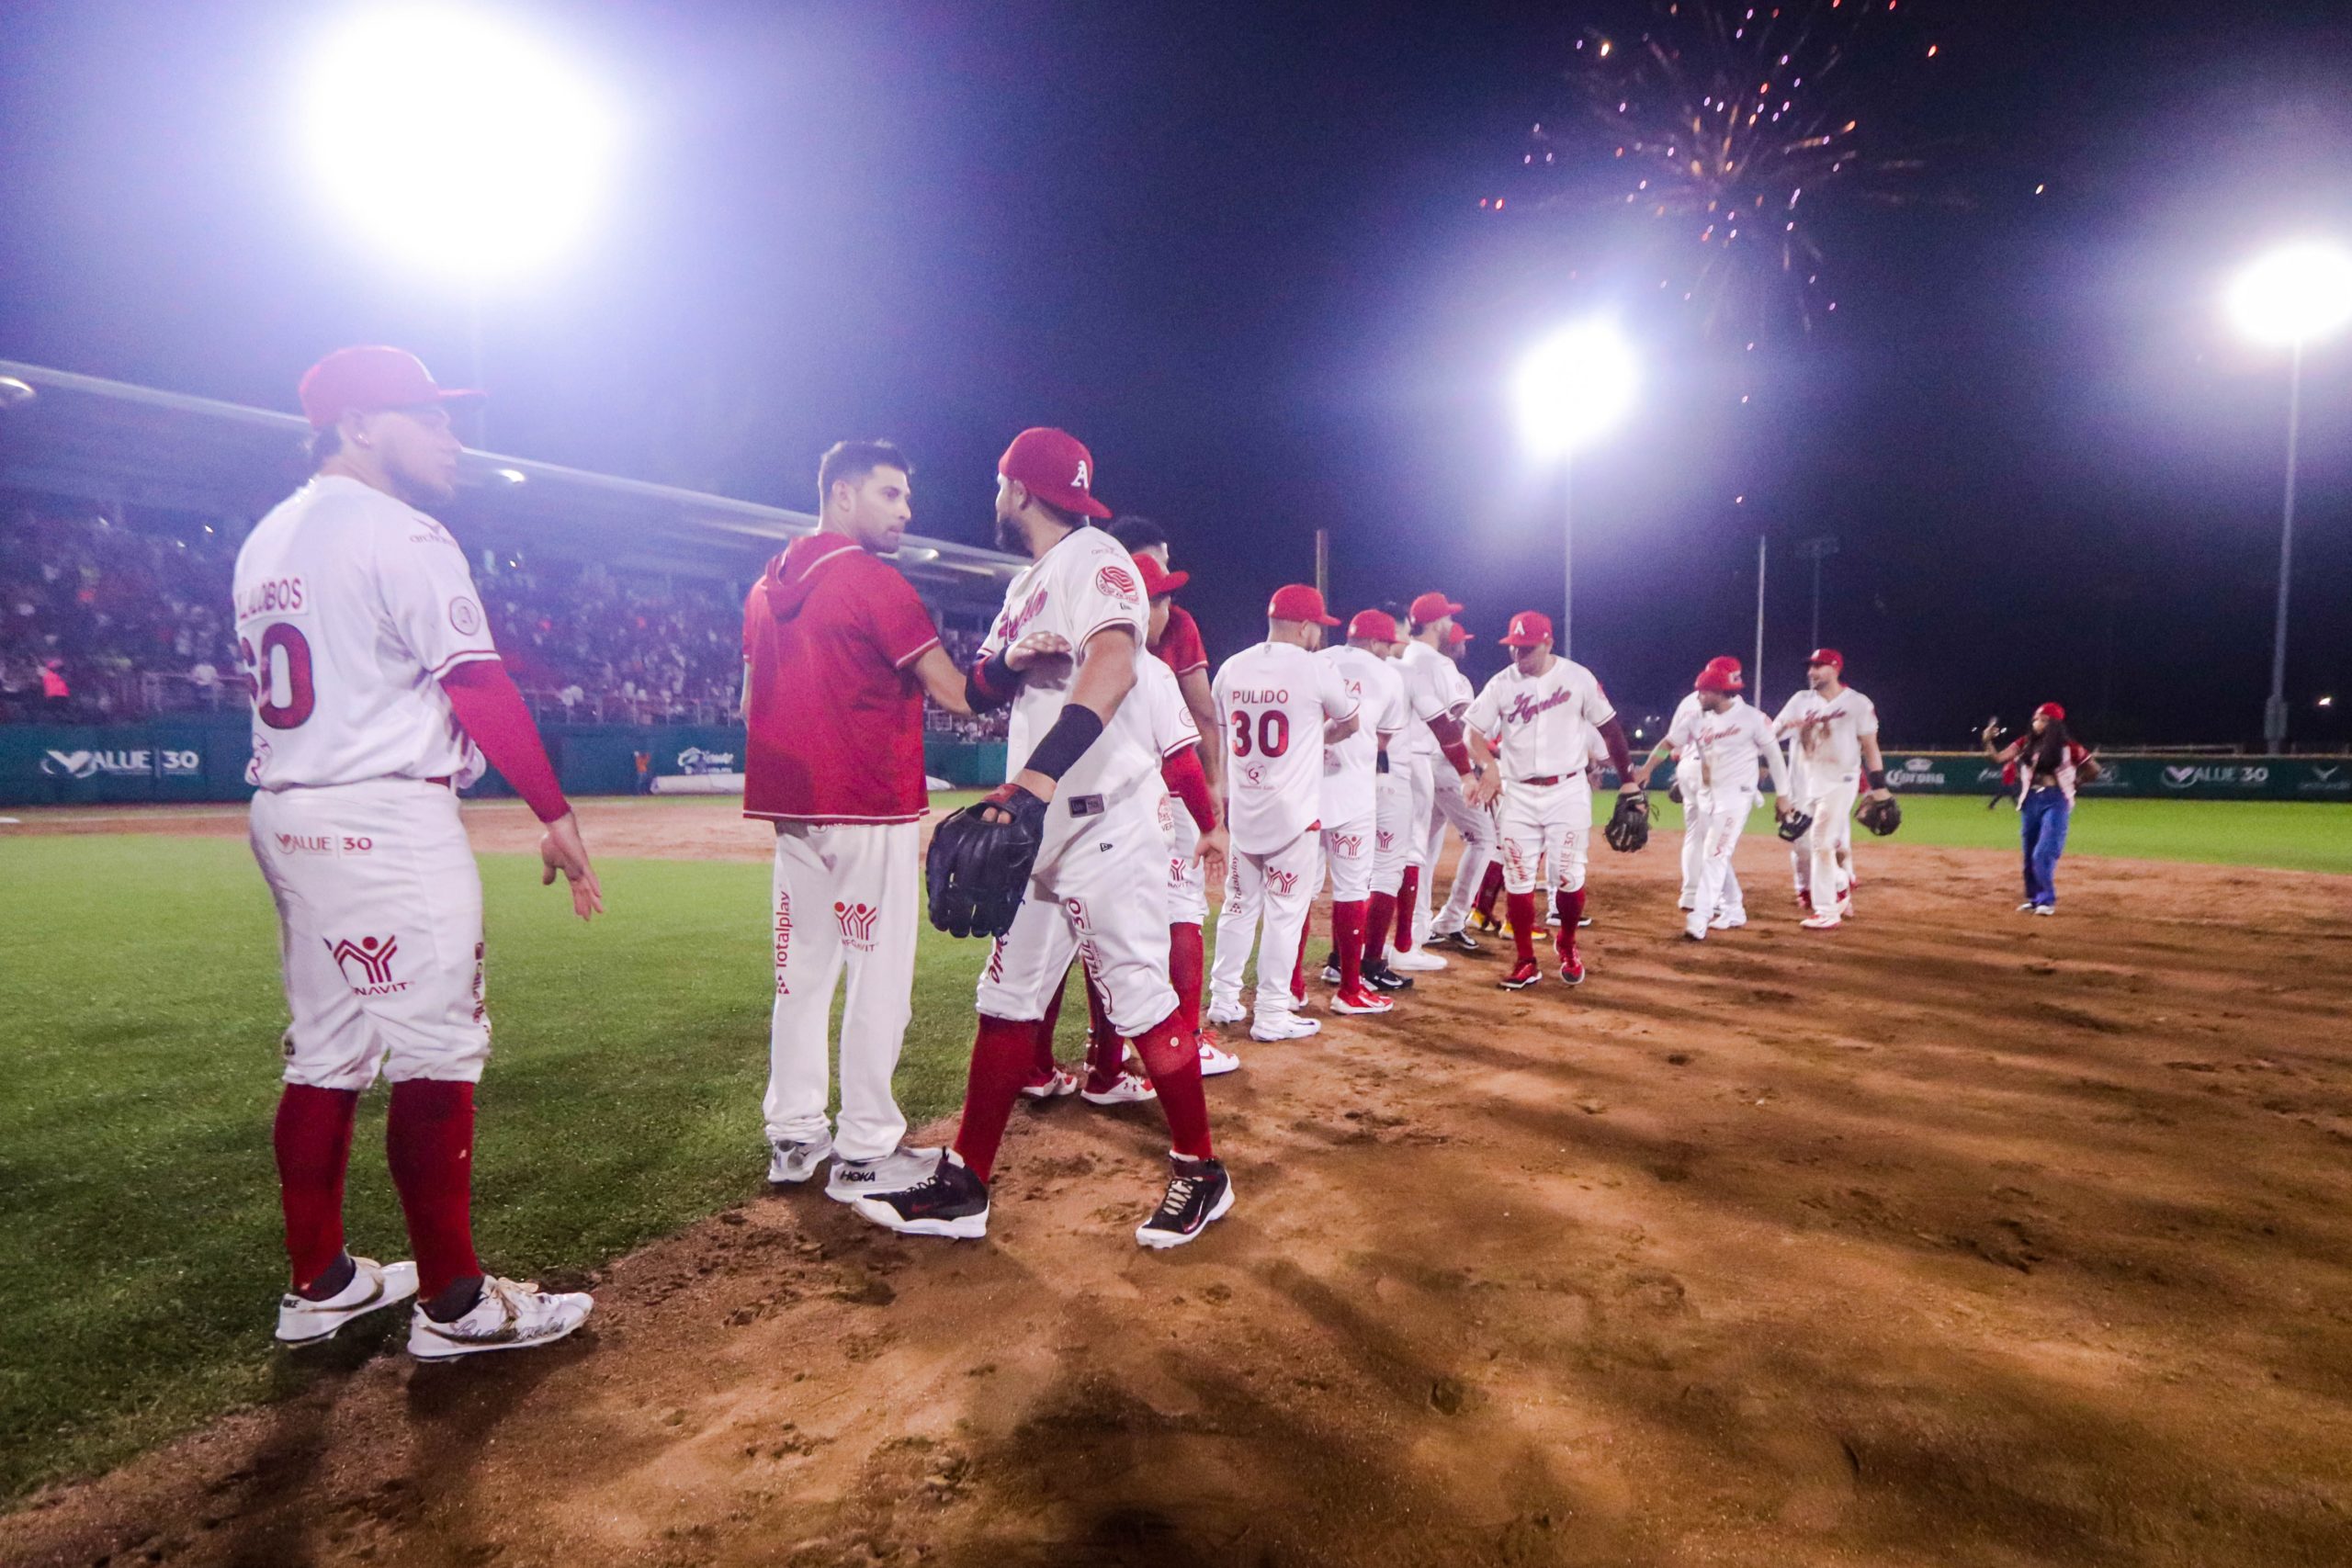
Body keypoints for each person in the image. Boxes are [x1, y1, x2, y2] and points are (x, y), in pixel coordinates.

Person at [240, 345, 600, 1359]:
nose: (452, 437)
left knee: (326, 1052)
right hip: (384, 821)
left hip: (290, 811)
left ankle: (323, 1283)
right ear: (358, 424)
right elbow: (475, 681)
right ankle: (455, 1306)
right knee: (437, 1052)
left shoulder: (266, 536)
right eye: (428, 416)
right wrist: (553, 808)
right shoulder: (401, 529)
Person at [854, 428, 1232, 1249]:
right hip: (1044, 828)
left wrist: (1036, 777)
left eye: (999, 485)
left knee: (1137, 996)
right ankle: (968, 1183)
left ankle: (1201, 1170)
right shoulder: (1027, 582)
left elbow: (1114, 661)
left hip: (1104, 821)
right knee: (1007, 996)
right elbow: (980, 688)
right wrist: (1009, 665)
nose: (994, 498)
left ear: (1019, 489)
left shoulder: (1097, 555)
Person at [741, 439, 1064, 1201]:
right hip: (866, 804)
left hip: (792, 815)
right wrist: (1013, 664)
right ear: (842, 494)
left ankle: (793, 1136)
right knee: (878, 978)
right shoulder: (872, 581)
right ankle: (864, 1148)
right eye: (891, 494)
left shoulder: (763, 587)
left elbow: (750, 705)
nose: (906, 510)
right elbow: (957, 692)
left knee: (801, 980)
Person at [1206, 585, 1361, 1039]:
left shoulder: (1232, 667)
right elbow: (1350, 721)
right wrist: (1316, 742)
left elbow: (1218, 740)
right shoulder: (1314, 668)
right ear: (1305, 626)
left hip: (1245, 810)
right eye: (1318, 628)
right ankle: (1272, 1013)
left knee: (1237, 907)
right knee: (1284, 912)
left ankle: (1223, 999)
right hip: (1293, 813)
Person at [1464, 612, 1635, 988]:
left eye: (1527, 649)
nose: (1518, 656)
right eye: (1514, 649)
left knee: (1569, 876)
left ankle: (1568, 943)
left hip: (1568, 790)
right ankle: (1526, 960)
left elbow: (1611, 731)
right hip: (1518, 792)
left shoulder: (1578, 678)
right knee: (1519, 879)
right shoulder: (1500, 684)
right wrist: (1488, 766)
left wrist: (1629, 783)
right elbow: (1472, 733)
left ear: (1548, 644)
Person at [1316, 609, 1409, 1011]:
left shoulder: (1319, 659)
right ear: (1374, 643)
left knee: (1294, 894)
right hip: (1353, 792)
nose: (1389, 653)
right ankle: (1349, 987)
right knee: (1352, 886)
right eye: (1387, 645)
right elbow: (1384, 739)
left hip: (1303, 787)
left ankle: (1288, 992)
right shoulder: (1388, 675)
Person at [1661, 660, 1793, 942]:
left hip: (1737, 795)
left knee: (1714, 852)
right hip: (1708, 794)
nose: (1699, 695)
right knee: (1716, 850)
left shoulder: (1752, 718)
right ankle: (1733, 908)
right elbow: (1673, 745)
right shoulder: (1698, 715)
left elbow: (1774, 756)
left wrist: (1783, 795)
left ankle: (1700, 917)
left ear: (1721, 690)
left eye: (1705, 690)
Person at [1385, 592, 1478, 972]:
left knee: (1404, 852)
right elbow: (1456, 722)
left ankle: (1412, 933)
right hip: (1423, 760)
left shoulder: (1399, 659)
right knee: (1414, 853)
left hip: (1389, 761)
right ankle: (1408, 941)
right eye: (1446, 620)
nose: (1448, 625)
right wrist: (1472, 770)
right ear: (1438, 622)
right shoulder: (1436, 663)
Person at [1771, 649, 1894, 930]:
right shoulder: (1801, 700)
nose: (1812, 672)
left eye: (1819, 666)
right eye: (1810, 667)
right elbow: (1771, 736)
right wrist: (1787, 727)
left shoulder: (1858, 703)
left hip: (1841, 782)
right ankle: (1840, 887)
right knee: (1805, 845)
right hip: (1807, 786)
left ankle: (1826, 911)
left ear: (1836, 668)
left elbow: (1870, 748)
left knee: (1822, 842)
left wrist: (1880, 789)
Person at [1634, 657, 1746, 918]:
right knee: (1715, 839)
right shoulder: (1734, 705)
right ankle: (1720, 897)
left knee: (1695, 834)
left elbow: (1672, 746)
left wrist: (1651, 769)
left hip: (1686, 770)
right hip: (1712, 775)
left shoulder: (1689, 701)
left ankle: (1691, 893)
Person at [1422, 618, 1498, 953]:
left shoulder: (1420, 669)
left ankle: (1417, 923)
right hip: (1449, 765)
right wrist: (1486, 758)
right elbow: (1464, 717)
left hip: (1423, 765)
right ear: (1452, 646)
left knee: (1423, 848)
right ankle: (1452, 920)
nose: (1465, 644)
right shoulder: (1450, 672)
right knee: (1484, 838)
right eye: (1461, 640)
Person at [1984, 703, 2100, 915]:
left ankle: (2047, 900)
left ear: (2055, 724)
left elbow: (2094, 769)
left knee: (2043, 852)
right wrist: (1987, 740)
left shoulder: (2069, 747)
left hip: (2056, 800)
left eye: (2044, 719)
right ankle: (2035, 899)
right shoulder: (2025, 743)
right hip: (2030, 801)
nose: (2038, 722)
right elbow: (1998, 758)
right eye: (2037, 718)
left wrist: (2077, 783)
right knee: (2029, 853)